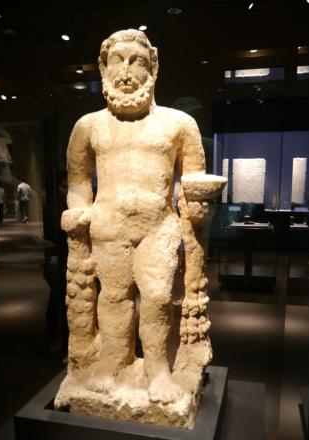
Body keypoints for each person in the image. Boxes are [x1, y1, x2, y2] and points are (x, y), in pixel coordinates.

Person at [60, 29, 226, 404]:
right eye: (117, 60)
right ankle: (111, 363)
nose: (126, 71)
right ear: (103, 68)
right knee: (113, 297)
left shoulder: (178, 124)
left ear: (153, 68)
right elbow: (78, 180)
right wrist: (78, 210)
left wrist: (198, 207)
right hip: (108, 226)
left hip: (158, 227)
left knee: (157, 297)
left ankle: (158, 369)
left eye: (136, 62)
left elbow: (193, 176)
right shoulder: (88, 126)